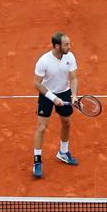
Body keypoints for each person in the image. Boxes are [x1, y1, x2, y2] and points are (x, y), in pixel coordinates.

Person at [32, 31, 81, 179]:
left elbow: (73, 78)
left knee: (66, 123)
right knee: (41, 128)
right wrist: (53, 98)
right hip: (47, 94)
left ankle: (63, 152)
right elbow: (36, 84)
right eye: (66, 44)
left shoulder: (70, 56)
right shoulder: (44, 61)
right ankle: (37, 161)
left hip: (64, 92)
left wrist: (73, 95)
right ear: (57, 46)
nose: (69, 47)